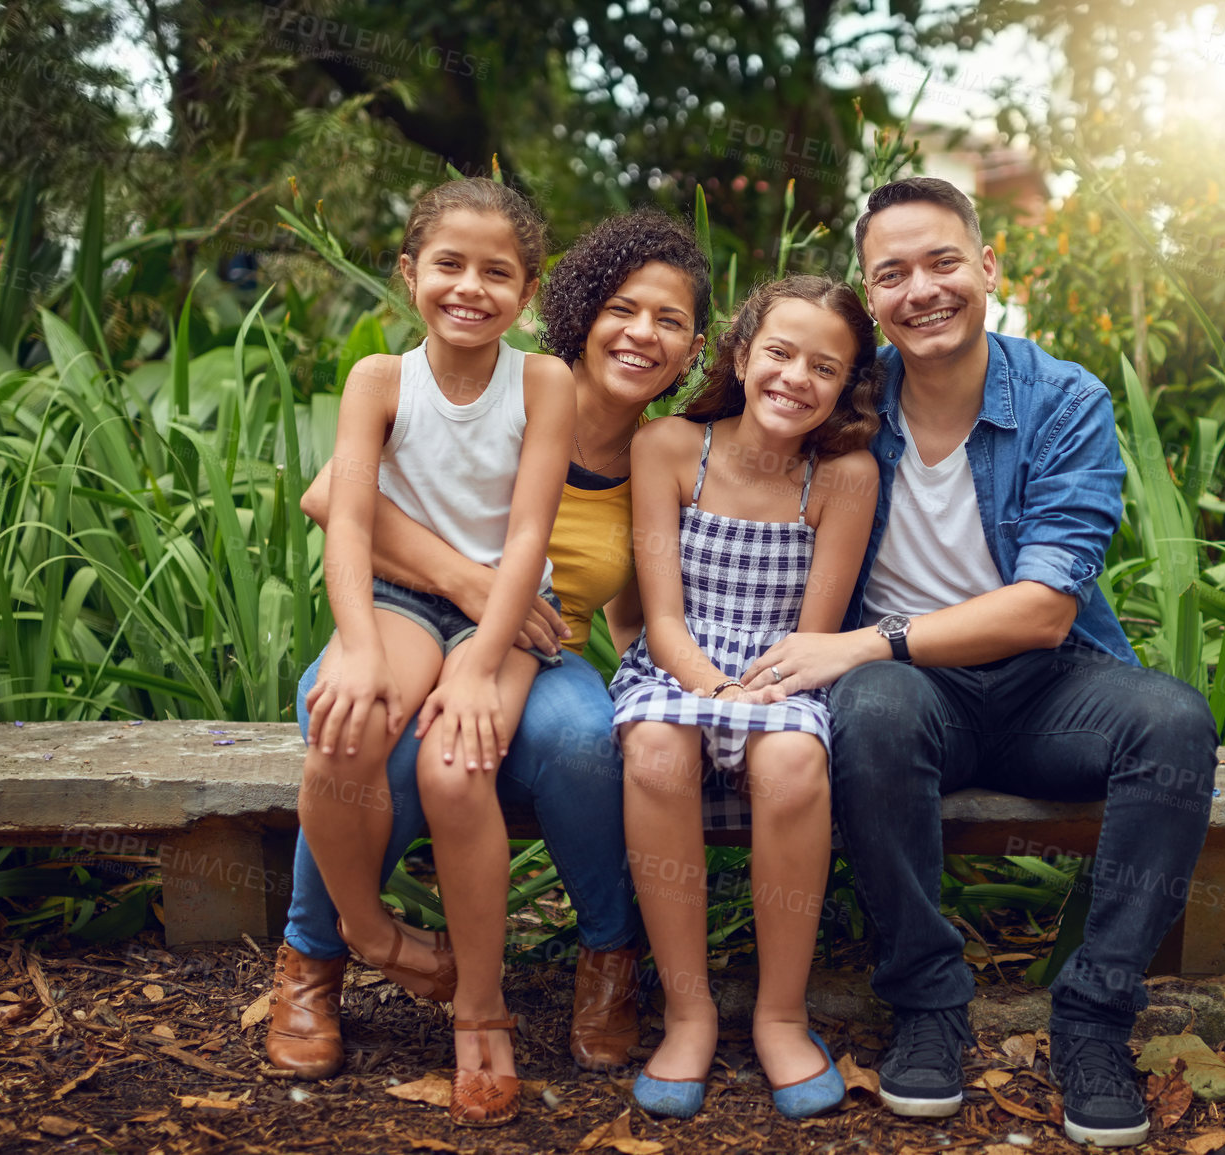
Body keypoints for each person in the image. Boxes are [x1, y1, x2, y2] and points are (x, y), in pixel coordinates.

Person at [739, 178, 1220, 1148]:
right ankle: (926, 1004)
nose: (922, 289)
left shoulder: (1061, 397)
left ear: (988, 267)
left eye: (943, 262)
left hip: (1049, 689)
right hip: (915, 703)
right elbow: (721, 449)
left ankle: (1092, 1019)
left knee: (1173, 722)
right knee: (870, 709)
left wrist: (867, 639)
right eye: (893, 273)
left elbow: (1046, 611)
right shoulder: (849, 397)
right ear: (871, 296)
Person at [268, 210, 712, 1089]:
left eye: (669, 321)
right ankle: (314, 957)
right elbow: (334, 498)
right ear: (580, 313)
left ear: (695, 347)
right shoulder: (479, 383)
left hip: (532, 641)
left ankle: (606, 957)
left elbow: (635, 598)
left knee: (586, 742)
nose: (641, 336)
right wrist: (468, 586)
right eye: (624, 310)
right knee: (362, 733)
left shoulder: (667, 453)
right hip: (419, 615)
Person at [296, 176, 574, 1128]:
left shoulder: (543, 381)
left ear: (527, 290)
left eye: (498, 272)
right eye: (448, 264)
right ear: (409, 271)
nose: (470, 287)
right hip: (397, 600)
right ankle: (370, 936)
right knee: (345, 723)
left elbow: (532, 533)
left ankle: (480, 1006)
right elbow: (345, 521)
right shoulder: (379, 379)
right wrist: (361, 644)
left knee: (459, 765)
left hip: (506, 609)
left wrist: (475, 660)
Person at [612, 276, 880, 1119]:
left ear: (845, 386)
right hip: (677, 665)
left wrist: (754, 696)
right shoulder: (667, 447)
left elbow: (813, 634)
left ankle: (780, 1013)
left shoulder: (843, 475)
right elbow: (658, 620)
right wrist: (713, 689)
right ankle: (687, 1011)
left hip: (785, 673)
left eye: (824, 367)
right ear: (740, 353)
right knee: (658, 749)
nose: (796, 378)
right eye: (779, 353)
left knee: (795, 760)